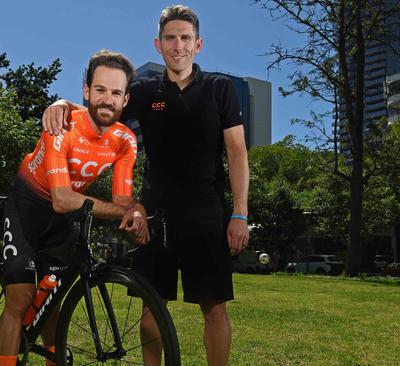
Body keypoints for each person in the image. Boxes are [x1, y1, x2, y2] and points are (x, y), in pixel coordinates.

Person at [42, 5, 250, 365]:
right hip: (155, 214)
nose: (178, 45)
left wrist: (240, 214)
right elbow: (102, 111)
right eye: (171, 37)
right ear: (158, 44)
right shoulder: (142, 91)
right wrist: (64, 103)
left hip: (207, 212)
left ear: (197, 44)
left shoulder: (220, 89)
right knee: (152, 304)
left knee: (214, 308)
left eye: (185, 38)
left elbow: (237, 155)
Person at [0, 50, 149, 366]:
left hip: (65, 212)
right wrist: (123, 211)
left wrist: (134, 208)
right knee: (22, 296)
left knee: (52, 295)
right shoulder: (61, 125)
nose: (107, 99)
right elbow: (62, 199)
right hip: (29, 204)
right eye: (100, 90)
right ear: (86, 90)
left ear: (125, 99)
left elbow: (121, 200)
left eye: (116, 92)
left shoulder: (125, 141)